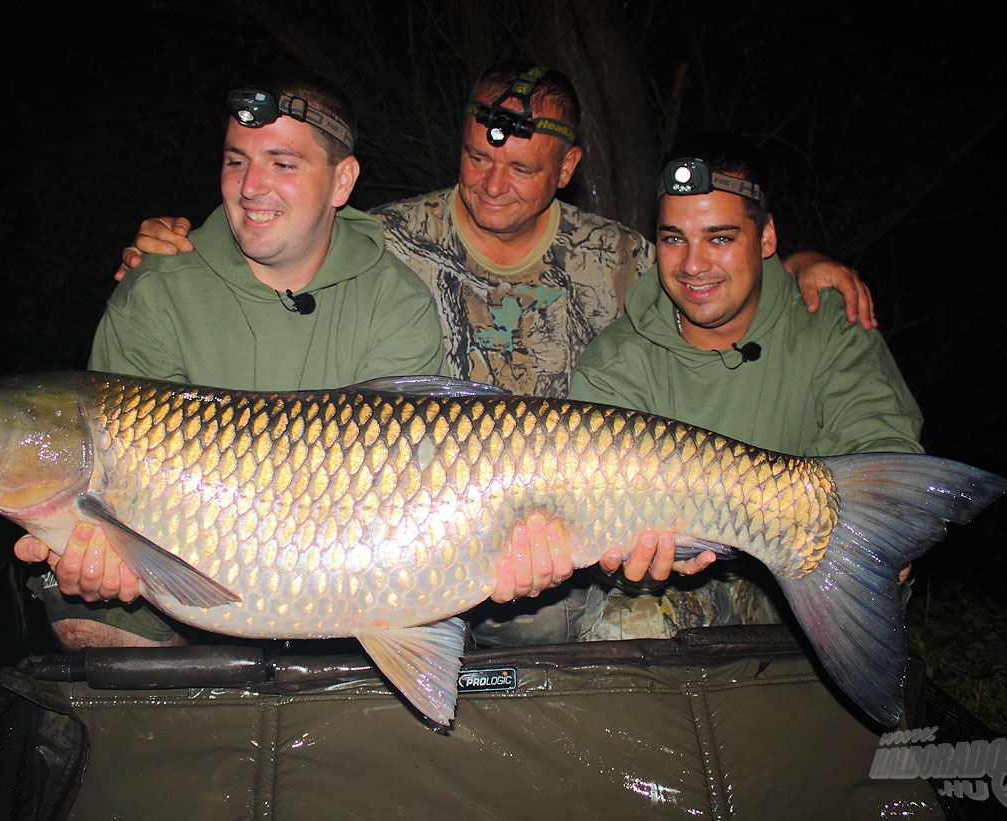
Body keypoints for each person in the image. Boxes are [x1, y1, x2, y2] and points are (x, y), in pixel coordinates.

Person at [118, 62, 880, 646]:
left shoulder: (621, 261)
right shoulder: (389, 245)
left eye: (520, 168)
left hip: (552, 537)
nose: (492, 184)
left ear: (568, 169)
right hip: (403, 528)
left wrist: (798, 267)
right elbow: (293, 236)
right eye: (478, 159)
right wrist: (183, 248)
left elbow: (707, 271)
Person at [14, 70, 446, 649]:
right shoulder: (157, 289)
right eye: (236, 161)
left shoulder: (397, 301)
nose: (251, 187)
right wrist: (98, 560)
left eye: (283, 164)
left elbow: (416, 488)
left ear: (342, 181)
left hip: (358, 555)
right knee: (86, 619)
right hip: (178, 566)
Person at [569, 131, 924, 640]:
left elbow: (881, 440)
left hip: (815, 568)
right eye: (674, 238)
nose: (693, 264)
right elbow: (601, 532)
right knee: (625, 619)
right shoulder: (614, 362)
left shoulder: (827, 321)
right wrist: (629, 564)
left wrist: (882, 529)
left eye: (720, 238)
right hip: (688, 590)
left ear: (767, 239)